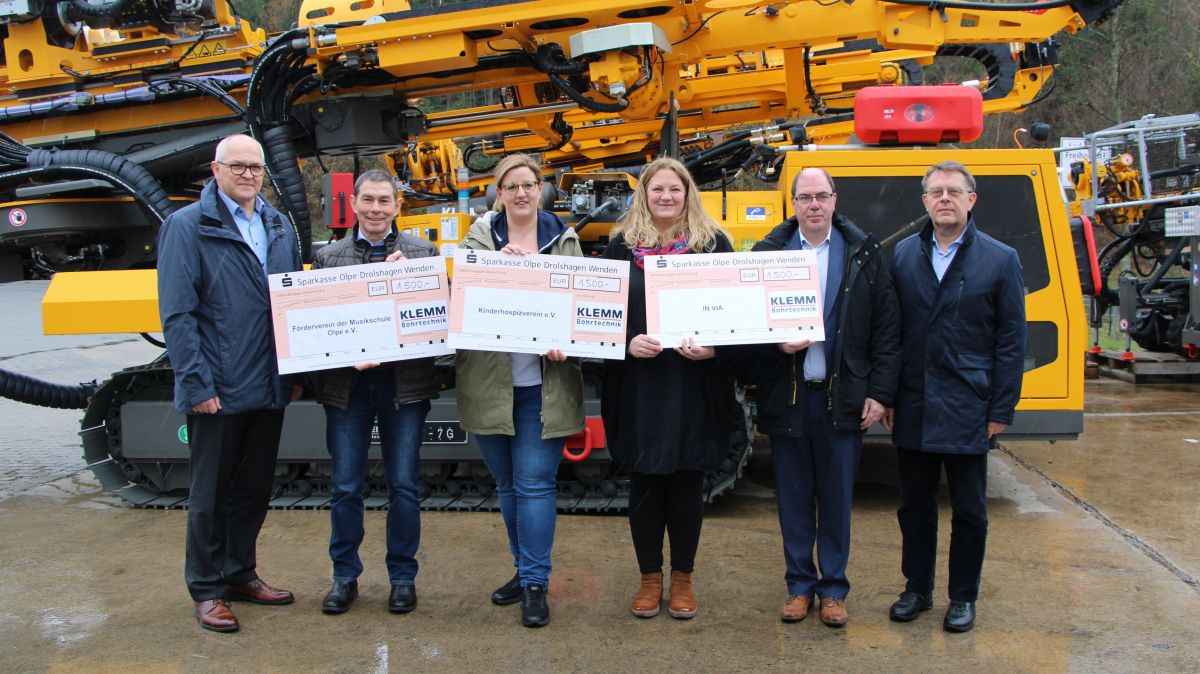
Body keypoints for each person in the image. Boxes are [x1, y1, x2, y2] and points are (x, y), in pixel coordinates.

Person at [157, 133, 302, 633]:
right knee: (210, 493)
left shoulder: (277, 226)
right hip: (218, 385)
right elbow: (178, 314)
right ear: (215, 170)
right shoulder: (187, 226)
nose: (247, 174)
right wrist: (197, 385)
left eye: (255, 167)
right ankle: (207, 588)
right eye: (237, 166)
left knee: (253, 489)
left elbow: (291, 304)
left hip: (268, 382)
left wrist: (294, 373)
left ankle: (240, 573)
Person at [749, 167, 901, 627]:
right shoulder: (768, 255)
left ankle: (833, 589)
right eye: (804, 197)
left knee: (836, 500)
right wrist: (774, 345)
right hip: (791, 397)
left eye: (821, 196)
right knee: (793, 499)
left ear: (835, 199)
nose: (813, 205)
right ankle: (799, 586)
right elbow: (744, 326)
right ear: (792, 203)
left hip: (842, 399)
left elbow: (886, 329)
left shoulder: (863, 254)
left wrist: (880, 393)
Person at [883, 160, 1026, 633]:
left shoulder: (1000, 259)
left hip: (970, 404)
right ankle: (917, 589)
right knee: (914, 508)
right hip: (914, 402)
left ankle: (963, 597)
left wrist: (1001, 407)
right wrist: (887, 395)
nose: (945, 198)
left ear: (971, 200)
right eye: (936, 191)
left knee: (969, 511)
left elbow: (1011, 341)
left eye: (954, 191)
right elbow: (892, 333)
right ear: (924, 201)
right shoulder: (905, 255)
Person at [601, 157, 737, 621]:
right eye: (657, 189)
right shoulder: (621, 248)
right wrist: (626, 342)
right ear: (644, 195)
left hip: (693, 383)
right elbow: (598, 313)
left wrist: (715, 348)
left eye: (674, 189)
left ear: (687, 194)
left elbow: (737, 313)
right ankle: (649, 578)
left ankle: (682, 578)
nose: (666, 196)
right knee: (644, 481)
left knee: (686, 481)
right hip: (640, 385)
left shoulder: (713, 245)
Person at [454, 153, 585, 628]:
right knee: (508, 486)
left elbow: (584, 304)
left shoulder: (564, 239)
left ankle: (534, 582)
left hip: (542, 388)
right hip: (491, 387)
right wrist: (496, 267)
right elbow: (463, 297)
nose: (522, 193)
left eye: (529, 184)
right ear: (499, 193)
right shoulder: (479, 240)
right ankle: (523, 568)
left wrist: (568, 341)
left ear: (541, 189)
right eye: (511, 186)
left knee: (533, 485)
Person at [308, 170, 440, 615]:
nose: (376, 209)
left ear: (398, 205)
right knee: (346, 485)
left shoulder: (423, 254)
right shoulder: (328, 258)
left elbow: (437, 324)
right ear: (353, 203)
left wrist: (412, 284)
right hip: (348, 388)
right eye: (368, 200)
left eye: (385, 201)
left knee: (404, 485)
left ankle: (402, 578)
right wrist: (347, 354)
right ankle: (344, 577)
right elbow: (316, 326)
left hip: (404, 387)